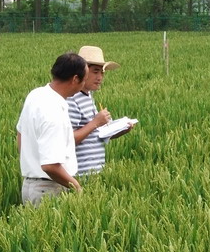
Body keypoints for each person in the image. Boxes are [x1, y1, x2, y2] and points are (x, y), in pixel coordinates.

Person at [17, 52, 87, 205]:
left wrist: (31, 161)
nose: (84, 84)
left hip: (30, 186)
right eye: (84, 79)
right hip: (49, 189)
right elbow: (50, 166)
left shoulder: (36, 95)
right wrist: (76, 186)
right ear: (75, 79)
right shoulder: (53, 111)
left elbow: (20, 133)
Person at [67, 46, 132, 175]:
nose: (100, 77)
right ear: (82, 72)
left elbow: (95, 135)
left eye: (102, 73)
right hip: (80, 175)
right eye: (95, 72)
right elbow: (68, 140)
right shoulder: (71, 99)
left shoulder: (88, 96)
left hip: (95, 173)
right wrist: (96, 122)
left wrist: (120, 130)